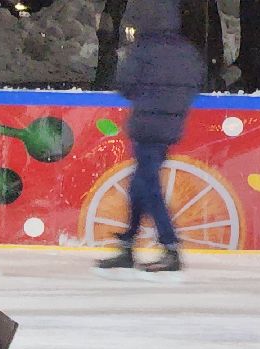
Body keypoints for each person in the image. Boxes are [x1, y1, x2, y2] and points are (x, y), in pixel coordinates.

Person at [93, 0, 205, 276]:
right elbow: (196, 81)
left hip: (146, 125)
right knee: (140, 185)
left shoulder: (142, 50)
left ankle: (170, 246)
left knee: (148, 187)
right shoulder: (185, 51)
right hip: (170, 127)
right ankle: (128, 247)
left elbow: (124, 85)